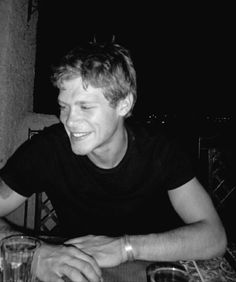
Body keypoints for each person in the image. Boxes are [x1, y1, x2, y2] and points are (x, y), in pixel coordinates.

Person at [0, 41, 227, 282]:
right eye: (63, 107)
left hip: (155, 272)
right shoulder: (48, 149)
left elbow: (214, 237)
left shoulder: (161, 151)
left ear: (124, 104)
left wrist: (124, 247)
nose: (70, 121)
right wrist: (35, 255)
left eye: (85, 107)